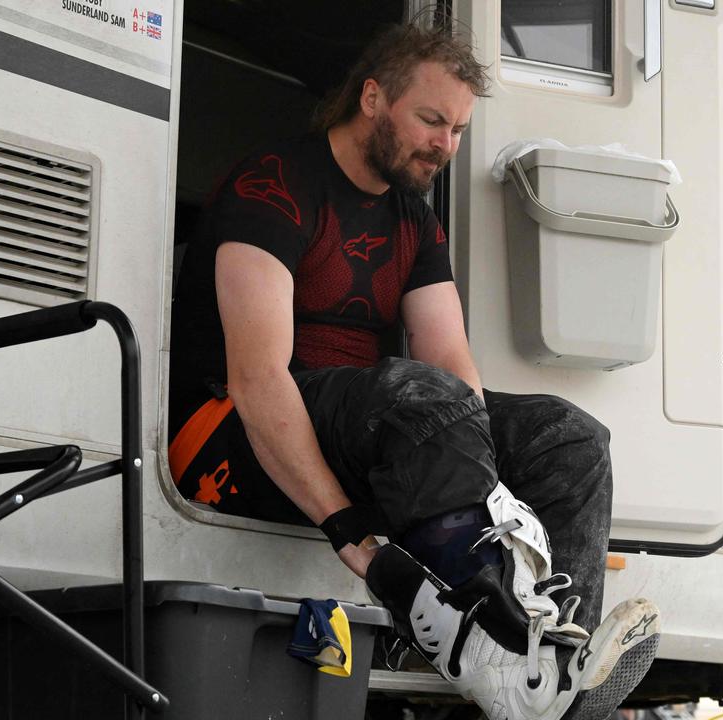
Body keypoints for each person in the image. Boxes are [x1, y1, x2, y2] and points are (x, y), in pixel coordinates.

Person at [167, 18, 660, 720]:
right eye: (432, 120)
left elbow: (453, 363)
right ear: (372, 99)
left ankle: (551, 663)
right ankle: (502, 645)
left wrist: (487, 486)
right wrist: (349, 531)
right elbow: (256, 379)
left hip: (371, 426)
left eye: (458, 129)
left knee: (570, 436)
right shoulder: (273, 185)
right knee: (418, 394)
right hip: (233, 434)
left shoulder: (414, 222)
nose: (446, 144)